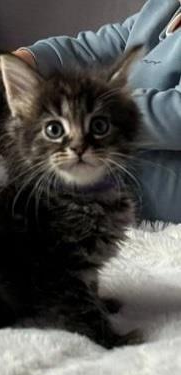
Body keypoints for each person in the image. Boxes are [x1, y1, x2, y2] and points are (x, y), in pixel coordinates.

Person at [13, 0, 181, 223]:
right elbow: (101, 45)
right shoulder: (164, 6)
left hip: (169, 179)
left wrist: (97, 110)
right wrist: (29, 58)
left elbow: (176, 115)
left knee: (44, 166)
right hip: (113, 147)